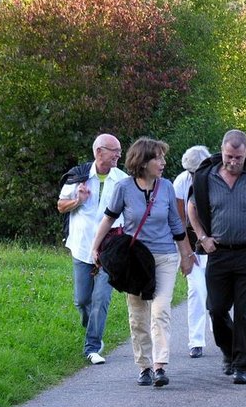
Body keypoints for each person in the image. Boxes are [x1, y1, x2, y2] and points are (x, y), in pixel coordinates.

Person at [91, 137, 194, 388]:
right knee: (138, 315)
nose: (163, 162)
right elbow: (109, 218)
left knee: (160, 310)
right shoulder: (124, 188)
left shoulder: (166, 187)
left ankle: (160, 366)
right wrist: (95, 247)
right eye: (158, 158)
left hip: (164, 256)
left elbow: (175, 223)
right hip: (135, 259)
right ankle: (144, 366)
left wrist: (186, 255)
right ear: (143, 161)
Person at [187, 129, 246, 385]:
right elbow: (191, 207)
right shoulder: (207, 177)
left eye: (238, 157)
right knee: (216, 308)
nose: (233, 162)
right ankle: (230, 352)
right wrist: (202, 237)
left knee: (245, 311)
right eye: (229, 156)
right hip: (218, 252)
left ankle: (242, 365)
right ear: (222, 151)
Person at [58, 134, 128, 365]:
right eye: (115, 151)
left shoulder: (122, 180)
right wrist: (78, 200)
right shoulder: (78, 176)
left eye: (119, 151)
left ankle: (93, 346)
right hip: (82, 246)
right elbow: (61, 206)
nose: (119, 155)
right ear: (99, 151)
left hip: (110, 248)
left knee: (101, 298)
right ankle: (92, 328)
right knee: (82, 300)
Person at [173, 145, 212, 359]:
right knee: (196, 290)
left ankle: (221, 330)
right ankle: (196, 341)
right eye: (191, 172)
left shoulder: (217, 178)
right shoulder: (181, 182)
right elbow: (179, 219)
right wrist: (186, 253)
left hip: (216, 243)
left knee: (216, 291)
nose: (194, 176)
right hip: (191, 242)